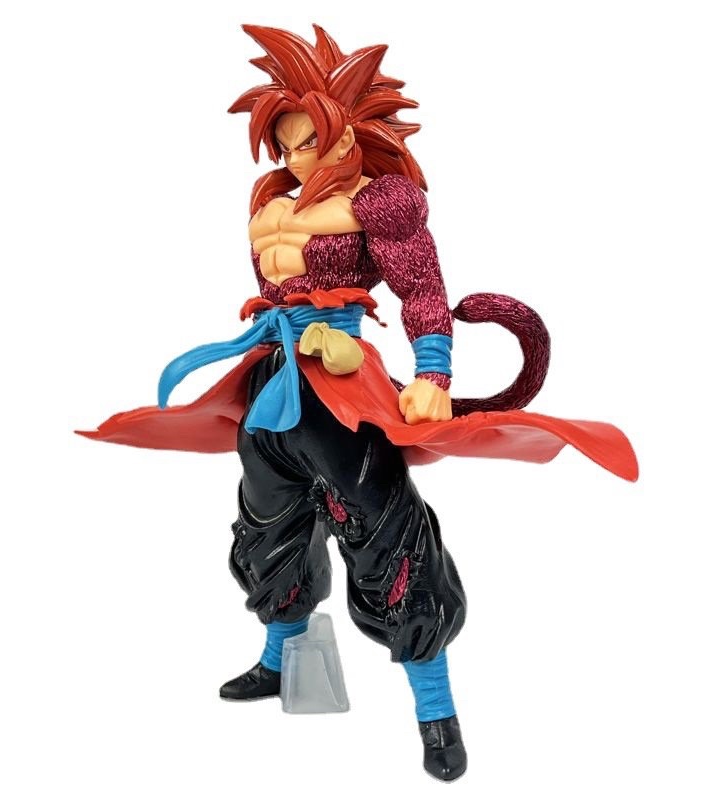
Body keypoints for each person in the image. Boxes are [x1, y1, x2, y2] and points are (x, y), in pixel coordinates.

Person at [79, 24, 638, 783]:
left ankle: (436, 711)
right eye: (283, 143)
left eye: (308, 140)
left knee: (388, 541)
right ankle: (277, 660)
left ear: (346, 136)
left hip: (340, 390)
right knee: (269, 528)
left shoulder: (382, 201)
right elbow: (278, 293)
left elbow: (422, 289)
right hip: (272, 387)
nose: (293, 157)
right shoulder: (270, 202)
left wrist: (433, 371)